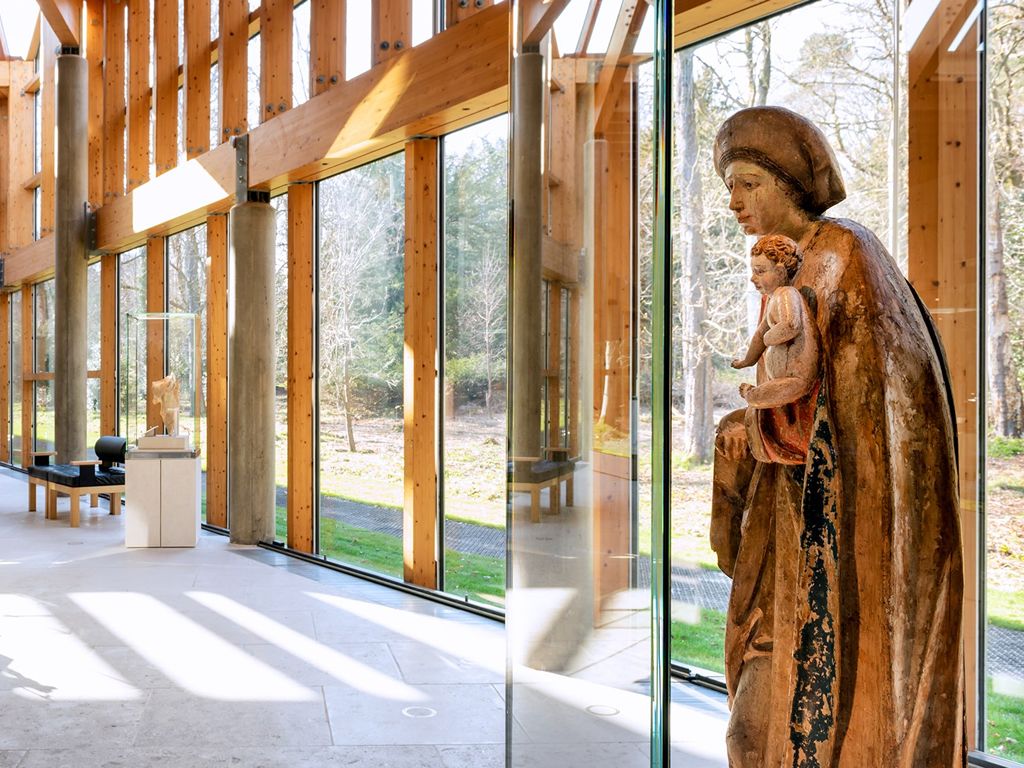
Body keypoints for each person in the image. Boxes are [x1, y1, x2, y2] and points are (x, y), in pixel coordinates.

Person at [709, 106, 965, 768]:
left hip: (847, 541)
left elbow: (875, 404)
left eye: (746, 183)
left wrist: (754, 426)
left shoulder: (844, 255)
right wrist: (747, 432)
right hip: (789, 522)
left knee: (815, 722)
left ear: (790, 181)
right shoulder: (789, 269)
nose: (734, 201)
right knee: (751, 729)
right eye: (728, 187)